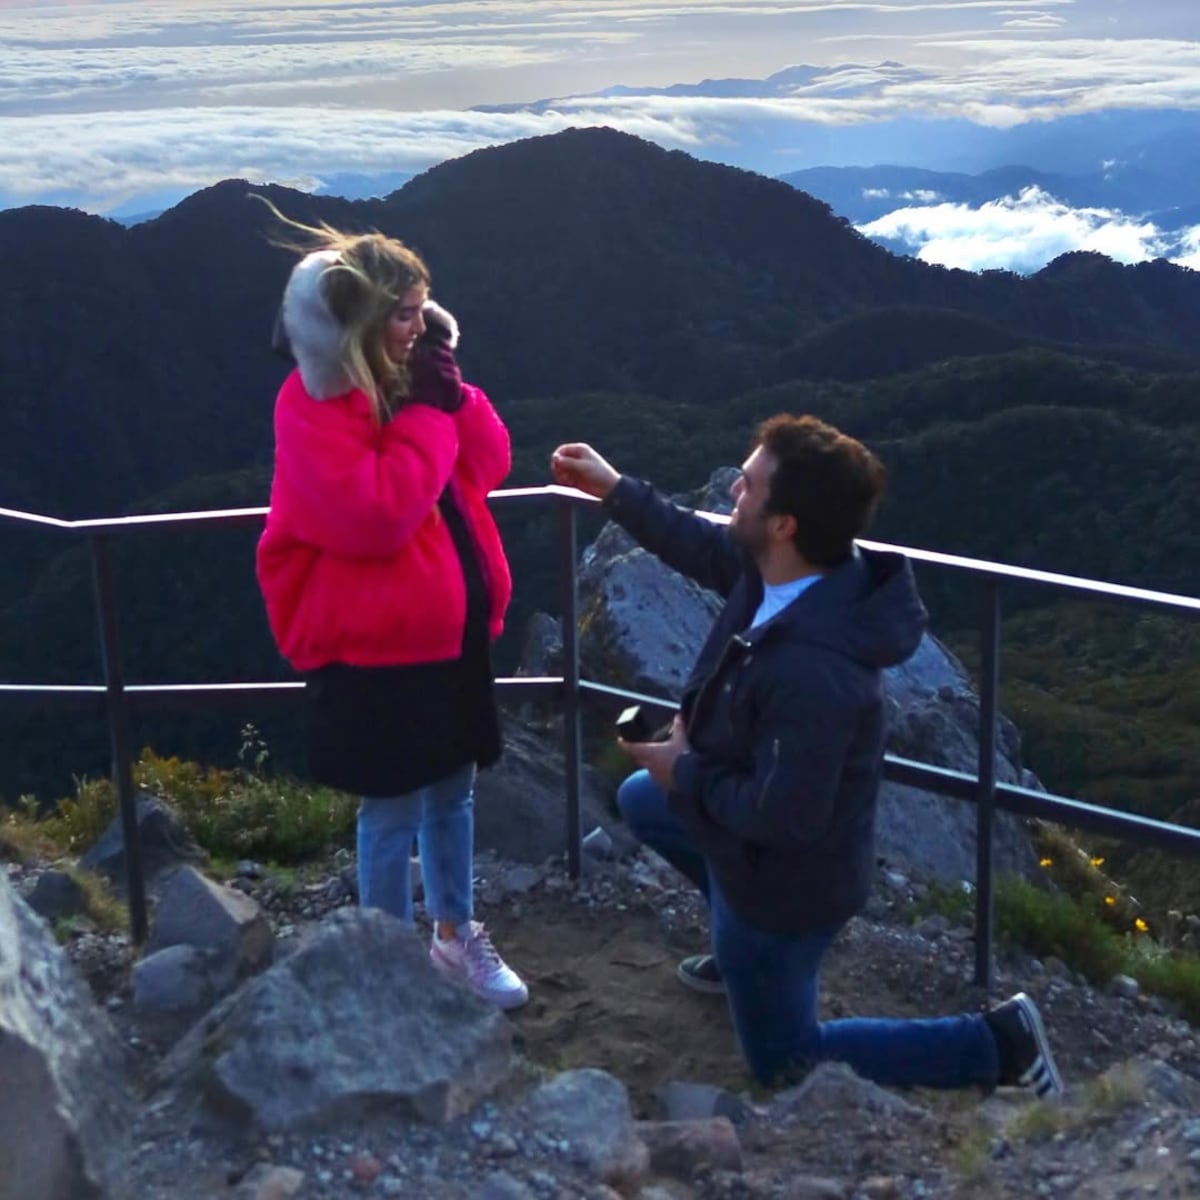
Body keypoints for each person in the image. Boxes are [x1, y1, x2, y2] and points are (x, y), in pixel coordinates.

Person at [550, 416, 1063, 1095]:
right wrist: (615, 488)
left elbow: (785, 819)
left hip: (787, 890)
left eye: (750, 484)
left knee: (784, 1061)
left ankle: (995, 1044)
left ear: (785, 523)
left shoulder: (814, 674)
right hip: (755, 854)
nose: (734, 486)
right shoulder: (790, 575)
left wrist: (685, 767)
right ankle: (741, 958)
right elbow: (702, 547)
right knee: (644, 800)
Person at [256, 206, 527, 1009]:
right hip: (376, 647)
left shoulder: (415, 383)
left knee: (454, 787)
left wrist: (453, 394)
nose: (417, 328)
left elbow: (491, 461)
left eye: (423, 311)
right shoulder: (312, 407)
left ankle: (453, 936)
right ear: (364, 320)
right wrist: (425, 416)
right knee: (392, 805)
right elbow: (375, 517)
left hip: (449, 632)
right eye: (404, 314)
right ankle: (383, 957)